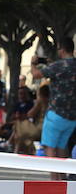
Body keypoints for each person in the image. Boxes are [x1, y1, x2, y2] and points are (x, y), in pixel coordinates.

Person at [32, 38, 76, 178]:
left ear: (62, 50)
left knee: (49, 147)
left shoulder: (58, 66)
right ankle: (63, 181)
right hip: (72, 116)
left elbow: (36, 74)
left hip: (56, 114)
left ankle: (54, 182)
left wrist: (33, 63)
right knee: (62, 147)